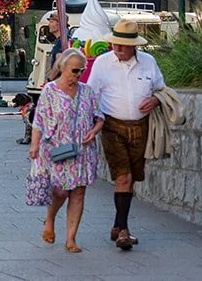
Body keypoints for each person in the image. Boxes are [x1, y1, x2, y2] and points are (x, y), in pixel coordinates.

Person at [84, 17, 168, 251]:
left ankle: (117, 223)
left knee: (131, 177)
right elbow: (91, 94)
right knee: (123, 177)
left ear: (134, 46)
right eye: (115, 43)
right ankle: (123, 231)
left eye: (122, 44)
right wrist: (94, 123)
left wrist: (154, 99)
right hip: (112, 126)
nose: (117, 48)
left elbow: (161, 89)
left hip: (141, 127)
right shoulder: (102, 63)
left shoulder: (149, 62)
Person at [28, 49, 104, 253]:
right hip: (56, 149)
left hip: (83, 150)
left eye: (82, 70)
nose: (78, 74)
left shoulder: (87, 91)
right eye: (74, 70)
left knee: (78, 192)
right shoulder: (50, 91)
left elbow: (100, 117)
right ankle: (50, 219)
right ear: (62, 68)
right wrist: (34, 145)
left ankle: (71, 239)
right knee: (60, 190)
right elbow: (39, 120)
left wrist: (94, 131)